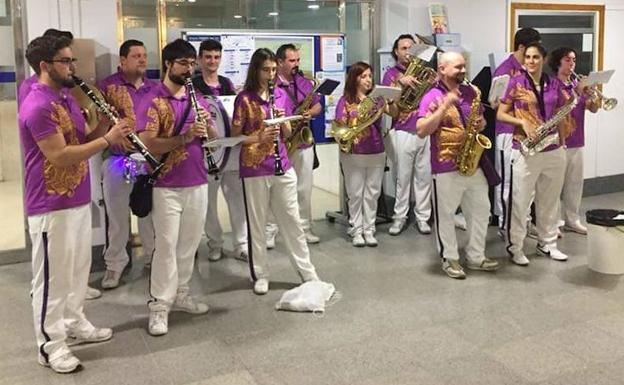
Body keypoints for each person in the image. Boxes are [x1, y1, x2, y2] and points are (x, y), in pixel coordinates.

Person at [20, 35, 131, 373]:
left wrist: (103, 123)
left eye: (72, 61)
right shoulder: (37, 104)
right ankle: (49, 345)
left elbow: (78, 139)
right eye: (66, 62)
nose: (72, 67)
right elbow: (60, 154)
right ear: (44, 66)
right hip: (49, 204)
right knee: (52, 279)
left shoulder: (65, 97)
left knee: (77, 270)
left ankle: (74, 321)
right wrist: (107, 139)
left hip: (77, 198)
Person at [137, 39, 217, 336]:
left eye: (191, 63)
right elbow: (148, 143)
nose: (189, 69)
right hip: (165, 183)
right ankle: (159, 305)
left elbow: (214, 137)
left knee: (189, 244)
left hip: (197, 180)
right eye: (183, 63)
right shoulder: (152, 98)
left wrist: (207, 124)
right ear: (168, 64)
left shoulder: (196, 96)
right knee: (166, 247)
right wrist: (183, 138)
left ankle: (181, 294)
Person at [231, 48, 319, 295]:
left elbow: (289, 133)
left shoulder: (280, 94)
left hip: (282, 164)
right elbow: (236, 137)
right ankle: (261, 273)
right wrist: (258, 136)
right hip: (254, 167)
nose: (270, 75)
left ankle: (307, 271)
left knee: (292, 221)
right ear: (256, 70)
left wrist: (284, 120)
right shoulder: (244, 99)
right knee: (258, 224)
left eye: (272, 70)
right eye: (265, 70)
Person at [416, 52, 500, 279]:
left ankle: (476, 256)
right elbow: (422, 130)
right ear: (442, 69)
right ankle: (450, 257)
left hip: (473, 162)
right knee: (446, 214)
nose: (463, 71)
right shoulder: (431, 95)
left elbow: (479, 120)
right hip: (445, 165)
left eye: (464, 66)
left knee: (481, 210)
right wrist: (444, 106)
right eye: (457, 67)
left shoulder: (471, 92)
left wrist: (481, 123)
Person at [497, 43, 576, 265]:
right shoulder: (516, 82)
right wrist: (521, 121)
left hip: (552, 150)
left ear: (543, 59)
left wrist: (561, 143)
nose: (531, 61)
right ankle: (516, 247)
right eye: (528, 57)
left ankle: (547, 244)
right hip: (526, 149)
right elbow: (501, 115)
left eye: (535, 57)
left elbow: (560, 114)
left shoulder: (553, 83)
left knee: (550, 201)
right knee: (520, 201)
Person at [98, 39, 158, 289]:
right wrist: (113, 137)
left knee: (150, 213)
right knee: (117, 214)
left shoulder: (156, 88)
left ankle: (154, 257)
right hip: (117, 160)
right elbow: (96, 122)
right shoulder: (106, 87)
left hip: (149, 160)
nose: (142, 60)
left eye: (144, 55)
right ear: (122, 60)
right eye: (136, 56)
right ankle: (115, 263)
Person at [192, 38, 248, 262]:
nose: (212, 61)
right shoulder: (193, 85)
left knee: (237, 199)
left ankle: (241, 244)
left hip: (232, 151)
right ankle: (215, 243)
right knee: (208, 202)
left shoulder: (227, 84)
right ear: (200, 59)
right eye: (207, 57)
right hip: (207, 151)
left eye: (216, 57)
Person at [334, 61, 398, 247]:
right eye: (364, 76)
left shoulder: (378, 99)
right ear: (355, 79)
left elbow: (394, 113)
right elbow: (340, 124)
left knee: (372, 193)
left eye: (370, 76)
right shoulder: (345, 101)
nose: (368, 80)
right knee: (355, 194)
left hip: (376, 150)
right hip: (353, 152)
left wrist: (392, 100)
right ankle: (356, 229)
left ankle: (369, 229)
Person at [265, 43, 323, 248]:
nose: (296, 64)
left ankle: (305, 229)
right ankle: (270, 231)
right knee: (276, 189)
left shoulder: (304, 82)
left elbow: (317, 104)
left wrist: (311, 112)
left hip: (303, 142)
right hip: (280, 142)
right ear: (280, 62)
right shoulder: (270, 84)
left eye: (298, 60)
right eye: (292, 61)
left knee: (304, 189)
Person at [492, 27, 541, 238]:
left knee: (526, 181)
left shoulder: (529, 70)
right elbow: (495, 105)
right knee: (507, 181)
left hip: (527, 134)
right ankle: (505, 224)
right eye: (530, 51)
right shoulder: (505, 71)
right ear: (521, 47)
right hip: (508, 132)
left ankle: (524, 222)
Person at [382, 34, 432, 235]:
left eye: (410, 48)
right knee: (402, 178)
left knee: (424, 177)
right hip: (402, 130)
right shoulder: (391, 74)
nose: (407, 51)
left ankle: (423, 218)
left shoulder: (425, 71)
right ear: (396, 52)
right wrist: (401, 83)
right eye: (403, 48)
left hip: (425, 129)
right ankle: (399, 217)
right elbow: (386, 100)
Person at [548, 47, 599, 235]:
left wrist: (593, 95)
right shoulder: (552, 84)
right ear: (558, 62)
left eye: (574, 60)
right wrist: (578, 92)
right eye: (567, 60)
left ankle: (572, 219)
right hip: (558, 142)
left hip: (578, 141)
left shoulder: (576, 83)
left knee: (575, 183)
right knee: (554, 186)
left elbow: (593, 109)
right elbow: (561, 110)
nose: (572, 64)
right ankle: (552, 223)